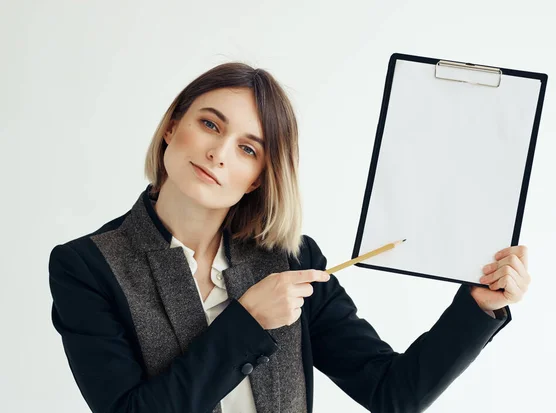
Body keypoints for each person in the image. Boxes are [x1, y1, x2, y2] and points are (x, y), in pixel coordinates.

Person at [48, 62, 531, 413]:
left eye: (247, 148)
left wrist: (480, 306)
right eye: (209, 123)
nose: (218, 153)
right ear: (174, 127)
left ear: (258, 176)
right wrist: (247, 322)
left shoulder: (291, 259)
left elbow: (394, 393)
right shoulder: (87, 267)